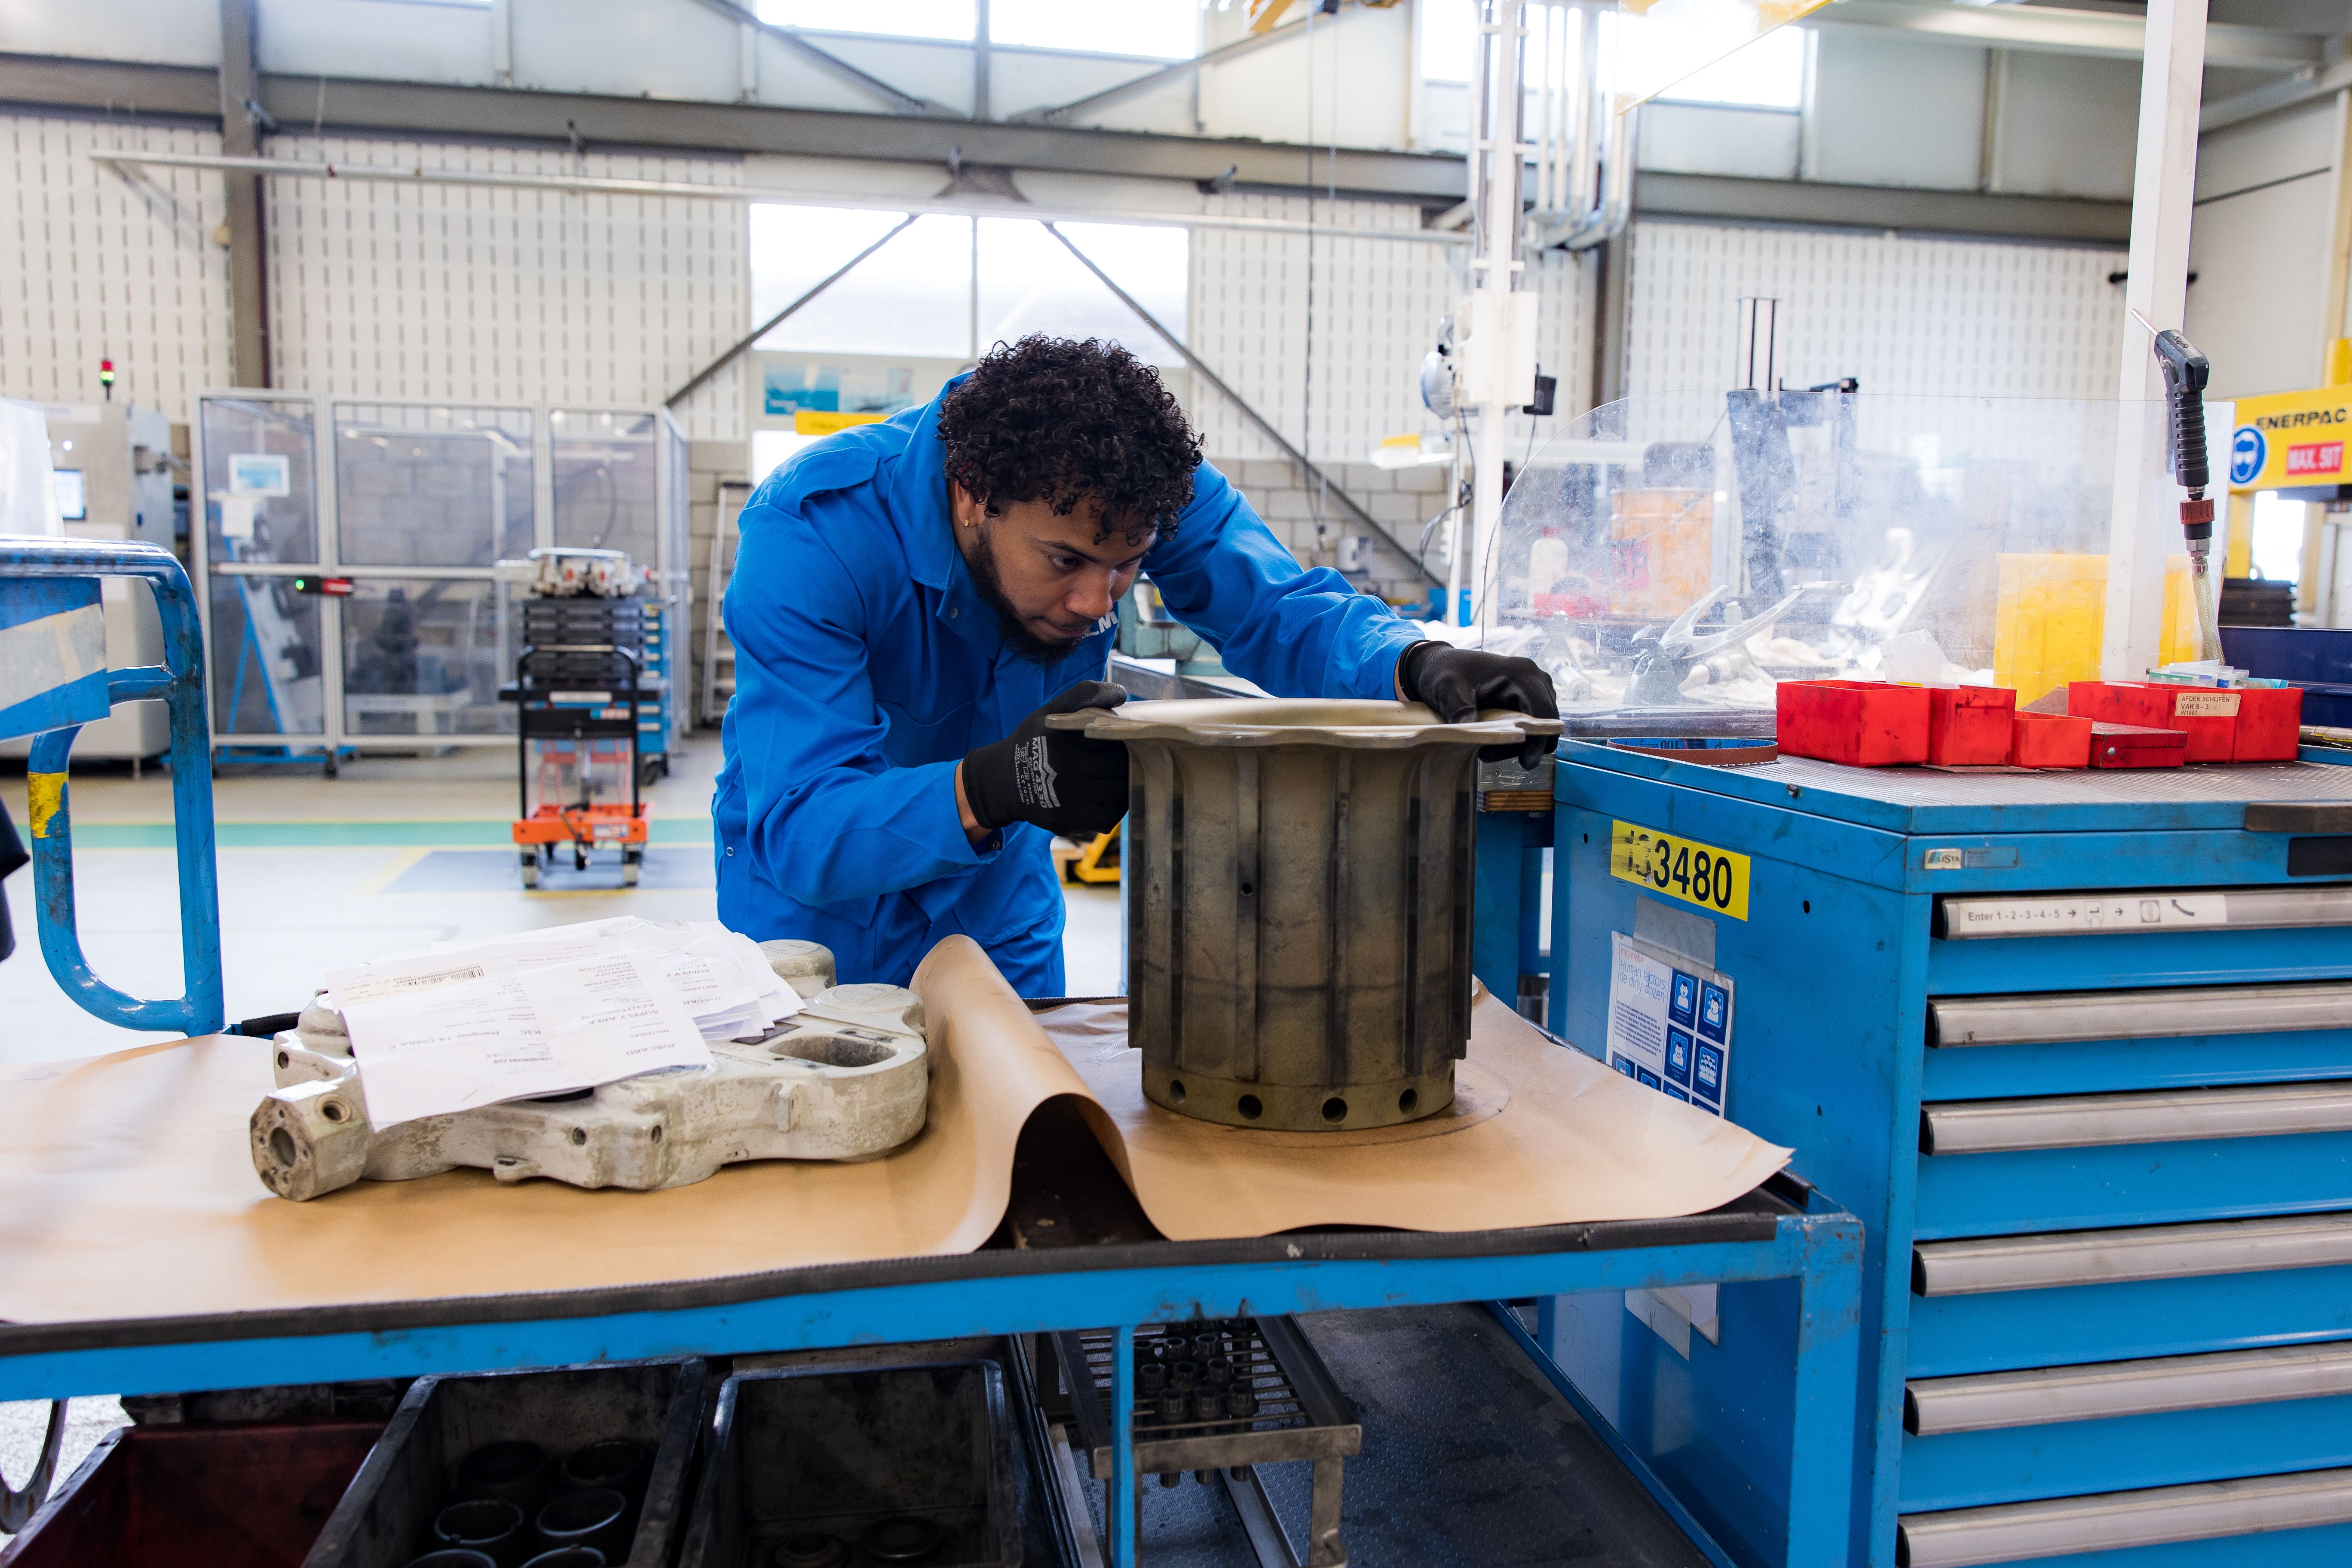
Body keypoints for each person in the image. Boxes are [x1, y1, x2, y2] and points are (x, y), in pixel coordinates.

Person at [714, 335, 1554, 992]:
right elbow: (798, 821)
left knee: (1029, 1149)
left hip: (996, 904)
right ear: (971, 493)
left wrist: (1415, 662)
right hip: (821, 923)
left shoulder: (1137, 491)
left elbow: (1273, 604)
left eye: (1128, 566)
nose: (1098, 602)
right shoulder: (813, 534)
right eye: (1064, 561)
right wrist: (989, 789)